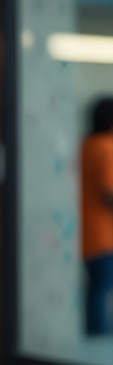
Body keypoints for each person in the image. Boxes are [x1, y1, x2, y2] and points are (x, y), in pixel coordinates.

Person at [81, 97, 113, 336]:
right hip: (105, 234)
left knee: (95, 288)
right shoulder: (107, 147)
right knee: (102, 288)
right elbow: (108, 193)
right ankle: (98, 336)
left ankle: (94, 331)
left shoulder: (88, 145)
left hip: (87, 232)